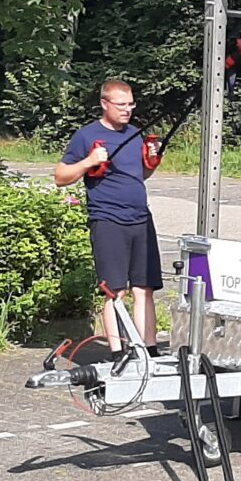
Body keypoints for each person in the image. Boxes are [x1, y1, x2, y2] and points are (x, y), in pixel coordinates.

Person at [55, 79, 162, 353]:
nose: (127, 110)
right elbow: (61, 177)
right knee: (116, 290)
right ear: (105, 104)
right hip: (108, 220)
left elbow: (140, 174)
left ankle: (148, 349)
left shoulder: (136, 134)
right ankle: (117, 352)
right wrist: (89, 161)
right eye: (121, 104)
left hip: (140, 217)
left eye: (131, 104)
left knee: (144, 288)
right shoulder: (87, 136)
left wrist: (151, 163)